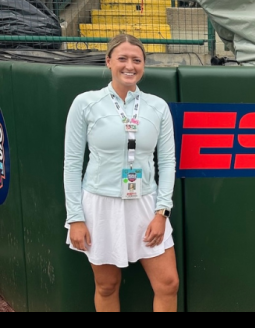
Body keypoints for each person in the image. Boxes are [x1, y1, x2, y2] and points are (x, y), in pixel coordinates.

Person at [63, 33, 179, 312]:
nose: (130, 65)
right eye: (123, 58)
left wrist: (162, 211)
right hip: (99, 206)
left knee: (168, 283)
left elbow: (167, 161)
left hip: (146, 204)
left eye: (137, 60)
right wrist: (75, 218)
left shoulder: (157, 106)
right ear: (109, 61)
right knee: (106, 285)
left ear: (143, 65)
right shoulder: (85, 103)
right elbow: (71, 162)